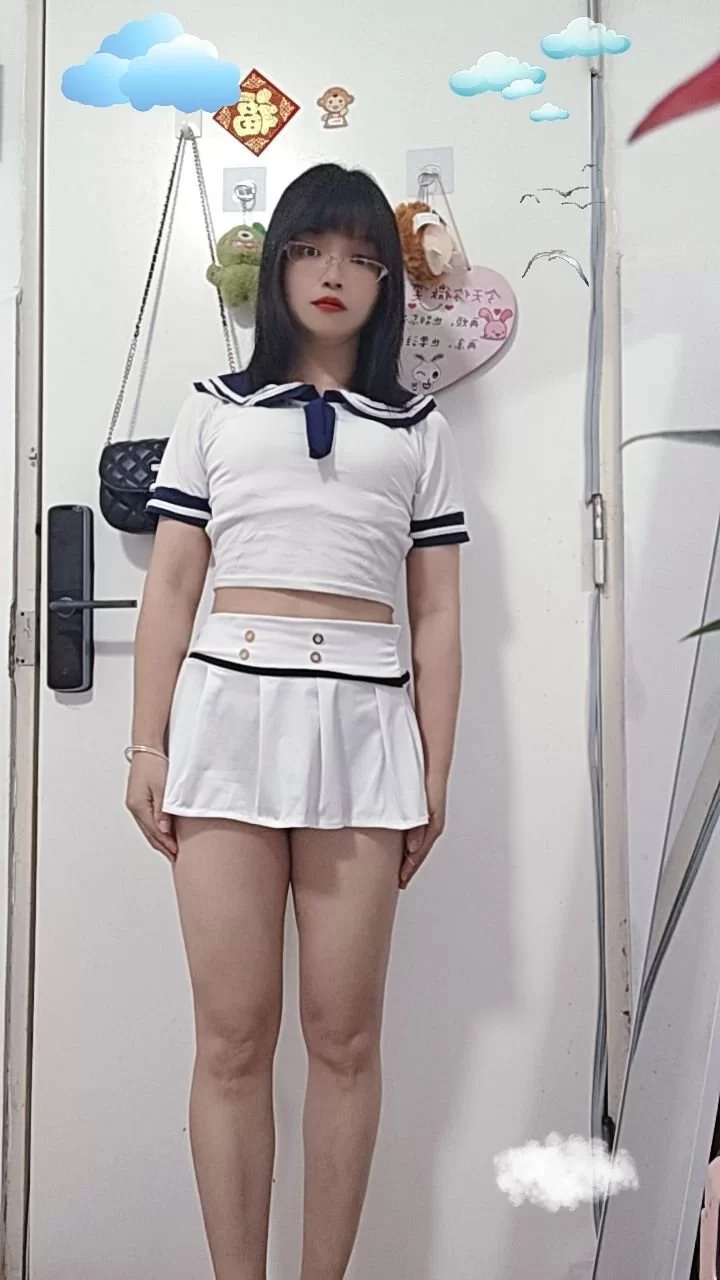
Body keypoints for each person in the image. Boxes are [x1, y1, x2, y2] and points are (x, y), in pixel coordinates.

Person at [125, 161, 470, 1280]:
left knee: (345, 1037)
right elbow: (173, 584)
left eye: (363, 258)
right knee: (232, 1039)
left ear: (386, 285)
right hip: (226, 721)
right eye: (314, 249)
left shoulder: (417, 427)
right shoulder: (212, 409)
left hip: (366, 733)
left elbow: (438, 614)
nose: (336, 274)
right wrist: (146, 744)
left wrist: (435, 770)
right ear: (277, 264)